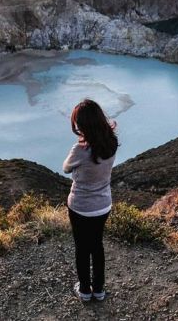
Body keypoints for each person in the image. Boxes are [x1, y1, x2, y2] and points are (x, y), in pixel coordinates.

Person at [63, 98, 118, 302]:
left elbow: (66, 168)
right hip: (103, 205)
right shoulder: (111, 143)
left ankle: (85, 290)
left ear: (83, 125)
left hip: (80, 206)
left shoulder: (80, 150)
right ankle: (100, 289)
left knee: (82, 248)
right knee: (97, 246)